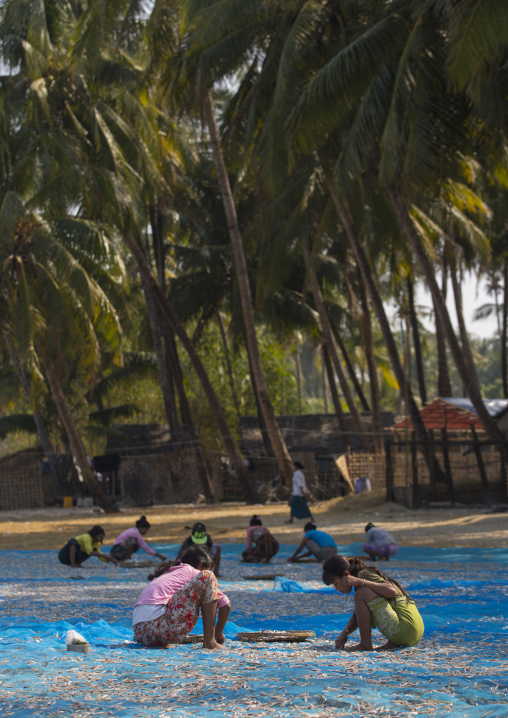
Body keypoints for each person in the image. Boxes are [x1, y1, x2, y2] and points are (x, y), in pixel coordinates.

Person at [132, 545, 230, 651]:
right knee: (208, 576)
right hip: (158, 627)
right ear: (200, 565)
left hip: (141, 634)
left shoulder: (168, 572)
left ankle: (163, 642)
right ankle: (210, 642)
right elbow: (225, 605)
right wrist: (218, 634)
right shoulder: (191, 571)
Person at [322, 555, 424, 652]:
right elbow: (358, 616)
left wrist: (362, 582)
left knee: (361, 593)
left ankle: (365, 644)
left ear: (346, 575)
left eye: (336, 583)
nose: (336, 589)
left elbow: (391, 591)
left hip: (406, 630)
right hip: (415, 633)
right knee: (363, 594)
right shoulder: (363, 578)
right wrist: (344, 634)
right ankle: (394, 642)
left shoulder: (363, 575)